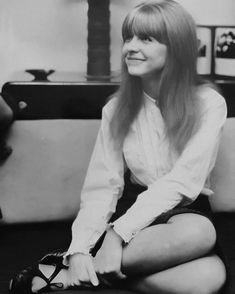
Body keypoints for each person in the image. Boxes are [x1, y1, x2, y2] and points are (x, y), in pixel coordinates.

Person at [9, 0, 227, 293]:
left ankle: (64, 275)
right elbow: (102, 187)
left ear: (176, 48)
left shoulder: (208, 103)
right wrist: (80, 248)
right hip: (131, 209)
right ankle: (82, 265)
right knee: (200, 242)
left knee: (206, 278)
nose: (130, 47)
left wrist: (115, 236)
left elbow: (185, 180)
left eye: (146, 39)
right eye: (128, 37)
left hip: (185, 211)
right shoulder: (116, 108)